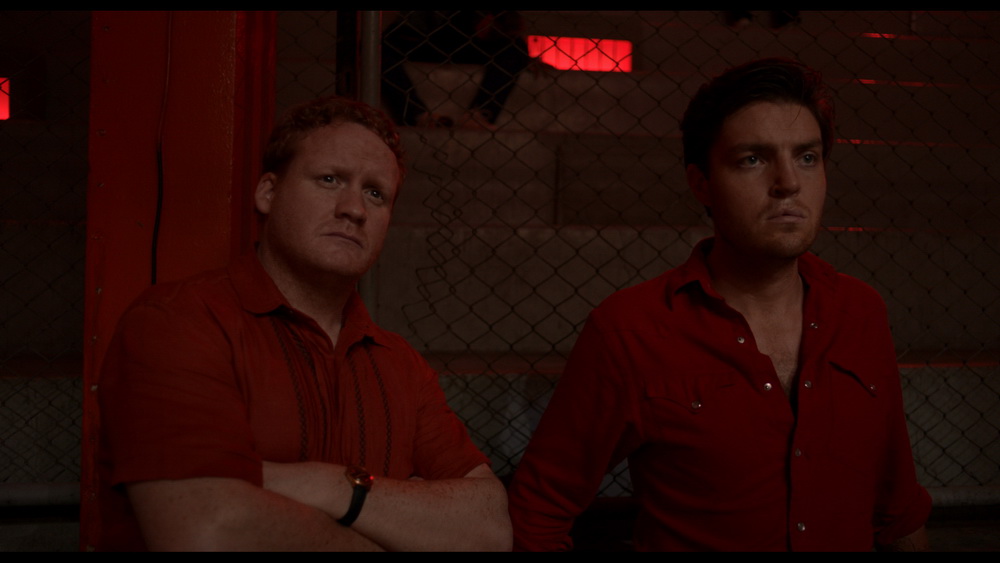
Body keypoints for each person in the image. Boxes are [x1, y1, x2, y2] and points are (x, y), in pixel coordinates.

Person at [506, 58, 932, 552]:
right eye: (752, 159)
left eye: (807, 157)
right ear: (701, 183)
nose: (788, 182)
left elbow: (897, 510)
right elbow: (537, 514)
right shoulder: (630, 330)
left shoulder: (861, 312)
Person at [94, 95, 513, 551]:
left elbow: (489, 528)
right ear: (268, 193)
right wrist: (399, 523)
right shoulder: (178, 322)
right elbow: (207, 530)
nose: (354, 209)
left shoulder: (401, 365)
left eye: (375, 193)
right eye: (330, 180)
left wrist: (332, 487)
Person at [380, 11, 534, 129]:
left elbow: (508, 24)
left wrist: (490, 22)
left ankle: (479, 116)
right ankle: (416, 115)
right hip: (424, 37)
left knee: (516, 48)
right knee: (380, 47)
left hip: (469, 39)